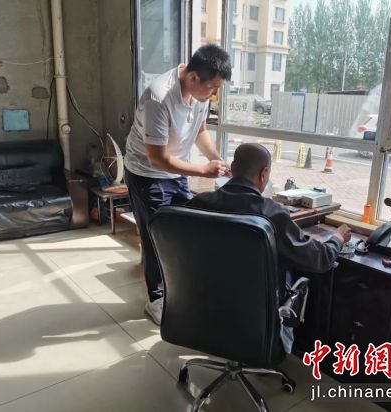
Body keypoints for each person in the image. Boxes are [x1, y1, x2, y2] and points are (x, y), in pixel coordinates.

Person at [187, 143, 351, 352]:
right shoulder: (272, 213)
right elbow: (320, 260)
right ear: (263, 174)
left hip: (206, 303)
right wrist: (337, 238)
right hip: (254, 314)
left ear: (233, 168)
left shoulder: (199, 203)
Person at [124, 44, 232, 325]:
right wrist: (202, 170)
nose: (214, 94)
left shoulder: (199, 93)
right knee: (156, 237)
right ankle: (157, 299)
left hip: (175, 171)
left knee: (184, 230)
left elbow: (200, 130)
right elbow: (157, 159)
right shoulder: (159, 97)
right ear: (193, 77)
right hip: (146, 173)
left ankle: (181, 288)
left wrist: (216, 159)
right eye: (212, 88)